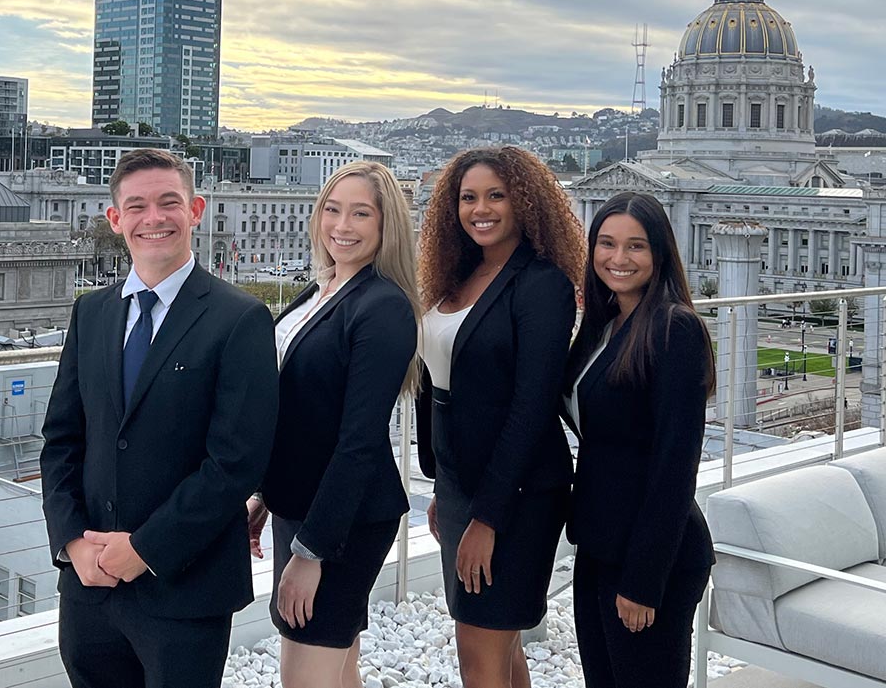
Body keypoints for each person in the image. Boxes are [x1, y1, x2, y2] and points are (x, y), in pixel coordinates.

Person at [40, 148, 279, 688]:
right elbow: (61, 440)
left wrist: (145, 550)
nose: (154, 218)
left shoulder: (240, 318)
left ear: (195, 210)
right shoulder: (92, 312)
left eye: (169, 203)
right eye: (137, 206)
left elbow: (235, 463)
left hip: (183, 590)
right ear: (115, 219)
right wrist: (73, 541)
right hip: (89, 587)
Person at [416, 147, 585, 688]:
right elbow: (445, 384)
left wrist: (487, 518)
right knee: (498, 644)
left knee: (479, 645)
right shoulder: (459, 277)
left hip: (515, 497)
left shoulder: (542, 285)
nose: (480, 209)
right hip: (463, 485)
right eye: (468, 197)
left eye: (496, 195)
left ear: (525, 203)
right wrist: (447, 487)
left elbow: (530, 408)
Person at [248, 162, 419, 688]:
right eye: (332, 209)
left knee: (305, 675)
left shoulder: (382, 305)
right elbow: (305, 416)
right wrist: (266, 496)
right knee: (337, 671)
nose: (342, 224)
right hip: (304, 508)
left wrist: (311, 551)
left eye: (361, 213)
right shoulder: (325, 288)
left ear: (386, 224)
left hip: (341, 523)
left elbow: (359, 440)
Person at [561, 191, 716, 688]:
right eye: (606, 244)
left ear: (660, 254)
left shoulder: (674, 329)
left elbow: (675, 465)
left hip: (651, 559)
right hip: (599, 543)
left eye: (636, 247)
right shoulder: (605, 326)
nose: (618, 259)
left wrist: (644, 580)